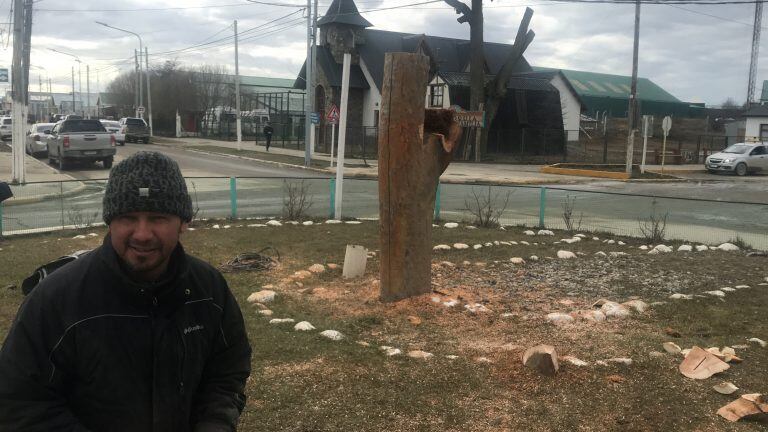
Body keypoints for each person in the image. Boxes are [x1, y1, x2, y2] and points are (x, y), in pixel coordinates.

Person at [0, 151, 252, 432]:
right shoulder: (56, 300)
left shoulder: (209, 290)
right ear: (110, 221)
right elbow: (20, 400)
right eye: (128, 217)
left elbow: (227, 370)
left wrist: (215, 423)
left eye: (157, 217)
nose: (142, 234)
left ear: (183, 222)